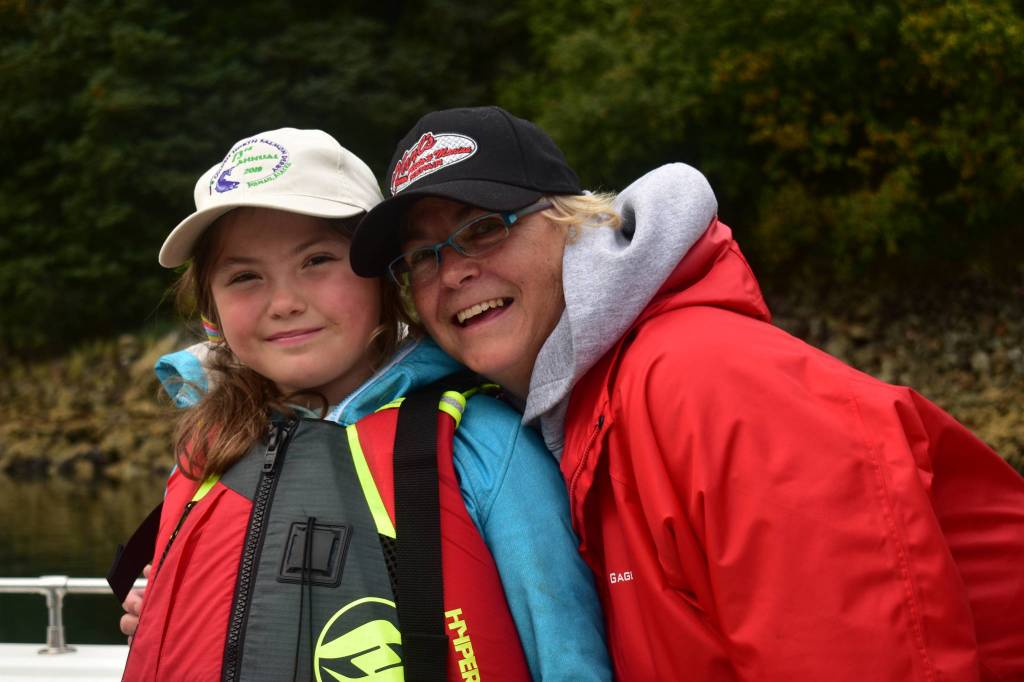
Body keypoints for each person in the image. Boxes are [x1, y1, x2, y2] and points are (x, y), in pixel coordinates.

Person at [349, 106, 1024, 681]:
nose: (454, 271)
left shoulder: (705, 382)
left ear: (573, 220)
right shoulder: (579, 421)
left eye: (485, 227)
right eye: (422, 257)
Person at [119, 127, 610, 681]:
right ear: (212, 306)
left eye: (317, 261)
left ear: (385, 281)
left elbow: (567, 658)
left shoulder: (481, 446)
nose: (283, 303)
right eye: (245, 277)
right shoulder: (210, 445)